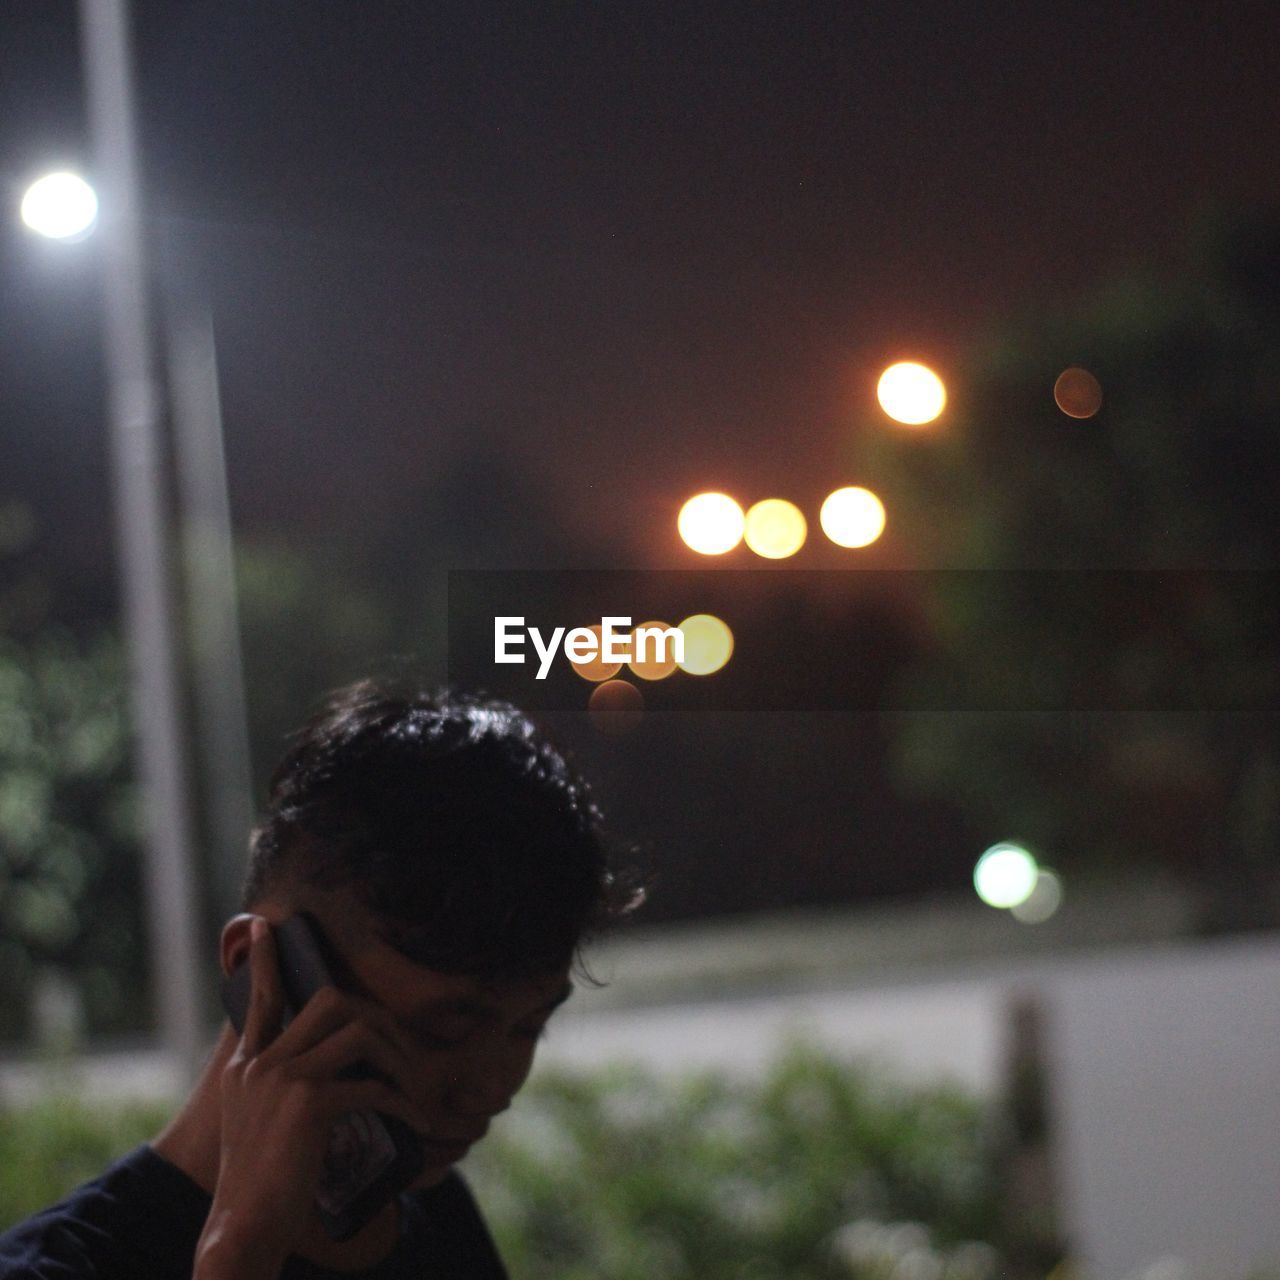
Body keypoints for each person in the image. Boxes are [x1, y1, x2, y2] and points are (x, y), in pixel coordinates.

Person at [0, 679, 639, 1279]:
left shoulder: (433, 1215)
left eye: (530, 1026)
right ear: (260, 968)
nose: (494, 1088)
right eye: (440, 1031)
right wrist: (241, 1253)